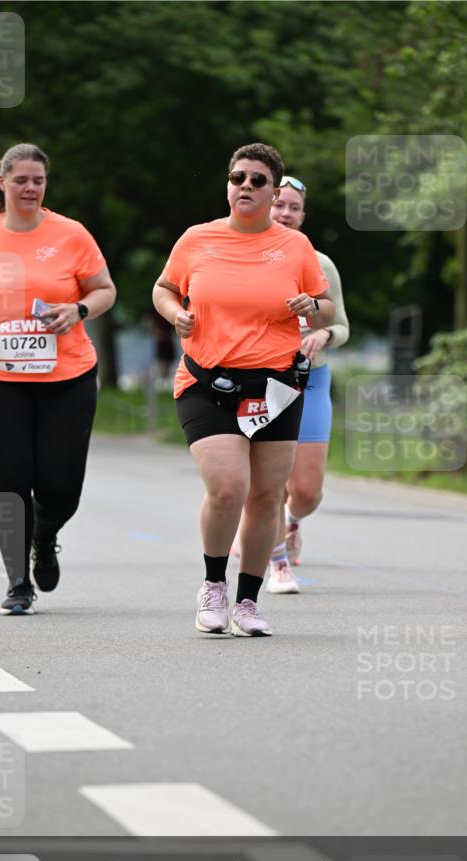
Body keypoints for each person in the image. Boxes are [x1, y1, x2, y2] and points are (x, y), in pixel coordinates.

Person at [153, 143, 334, 637]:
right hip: (206, 382)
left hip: (275, 388)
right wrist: (175, 314)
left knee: (267, 497)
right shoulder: (197, 238)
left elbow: (326, 309)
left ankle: (248, 602)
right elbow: (164, 288)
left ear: (274, 193)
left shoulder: (295, 247)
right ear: (228, 185)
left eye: (258, 180)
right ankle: (213, 584)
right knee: (229, 487)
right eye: (238, 178)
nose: (246, 186)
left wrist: (311, 307)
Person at [0, 143, 116, 615]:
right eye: (21, 180)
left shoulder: (71, 234)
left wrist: (77, 309)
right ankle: (17, 583)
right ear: (3, 182)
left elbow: (104, 290)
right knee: (11, 478)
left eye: (38, 180)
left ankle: (45, 536)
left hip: (68, 376)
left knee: (61, 489)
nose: (30, 188)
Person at [265, 175, 350, 594]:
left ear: (303, 215)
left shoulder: (321, 263)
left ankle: (293, 520)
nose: (285, 213)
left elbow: (342, 325)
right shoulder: (244, 256)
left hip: (311, 378)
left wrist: (324, 335)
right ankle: (276, 559)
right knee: (267, 483)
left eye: (294, 207)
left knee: (307, 491)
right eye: (278, 204)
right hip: (261, 380)